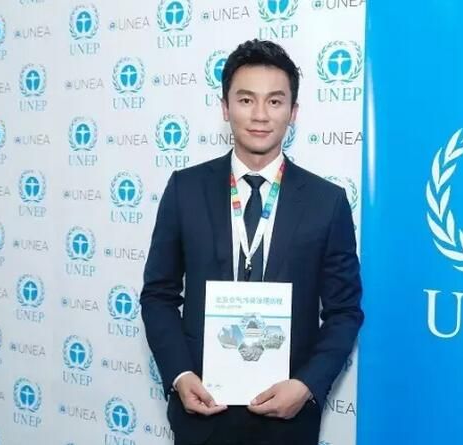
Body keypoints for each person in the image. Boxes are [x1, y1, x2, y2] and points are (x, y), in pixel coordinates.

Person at [140, 39, 364, 445]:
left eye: (275, 102)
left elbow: (344, 311)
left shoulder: (327, 202)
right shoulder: (185, 189)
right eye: (246, 100)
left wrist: (307, 385)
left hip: (288, 422)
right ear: (225, 107)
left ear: (293, 112)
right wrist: (180, 374)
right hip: (201, 414)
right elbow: (158, 294)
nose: (260, 115)